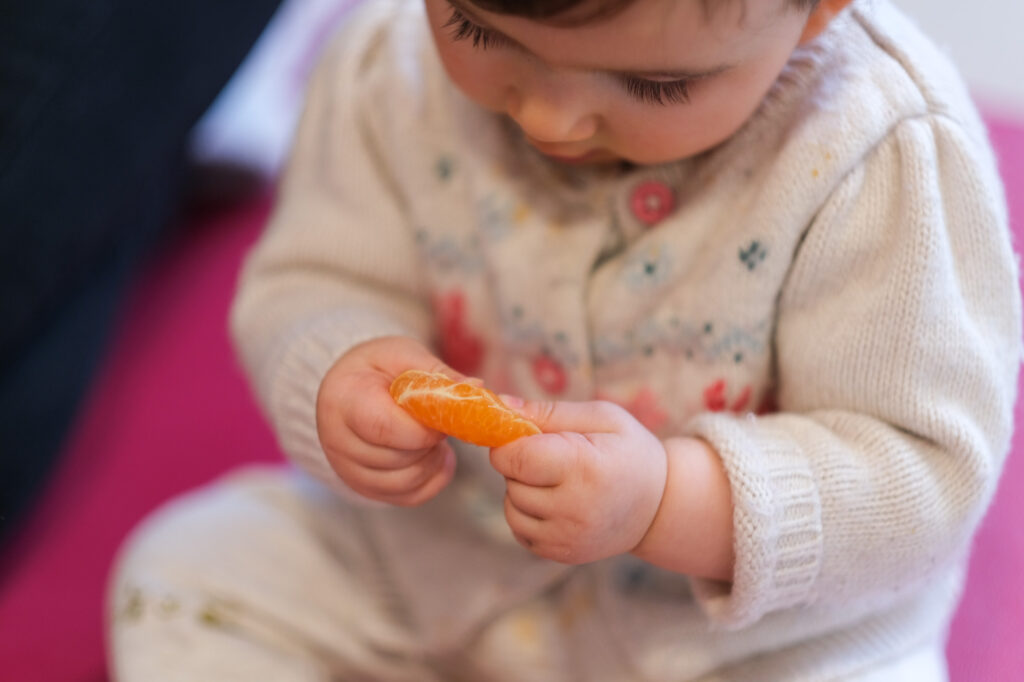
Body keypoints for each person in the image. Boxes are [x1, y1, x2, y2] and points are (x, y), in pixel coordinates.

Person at [107, 0, 1022, 679]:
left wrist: (670, 501)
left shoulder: (880, 146)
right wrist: (339, 364)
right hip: (436, 564)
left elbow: (918, 478)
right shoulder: (388, 64)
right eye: (476, 32)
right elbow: (313, 278)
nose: (550, 120)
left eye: (658, 84)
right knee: (187, 576)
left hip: (740, 645)